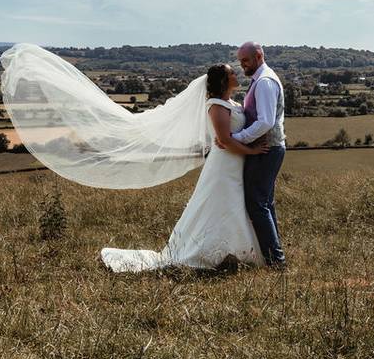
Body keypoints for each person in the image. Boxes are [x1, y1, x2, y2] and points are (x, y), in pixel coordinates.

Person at [99, 63, 270, 271]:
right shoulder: (216, 105)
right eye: (232, 73)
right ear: (224, 80)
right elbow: (224, 140)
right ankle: (211, 251)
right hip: (225, 163)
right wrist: (252, 151)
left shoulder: (229, 102)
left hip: (235, 161)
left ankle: (238, 251)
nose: (237, 74)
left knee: (234, 203)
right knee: (222, 202)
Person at [217, 41, 287, 269]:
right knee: (264, 202)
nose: (242, 65)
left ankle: (275, 261)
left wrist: (236, 138)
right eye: (240, 62)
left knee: (257, 204)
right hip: (269, 148)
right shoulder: (260, 79)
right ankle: (275, 257)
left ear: (258, 56)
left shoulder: (265, 82)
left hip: (267, 149)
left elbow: (265, 121)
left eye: (245, 60)